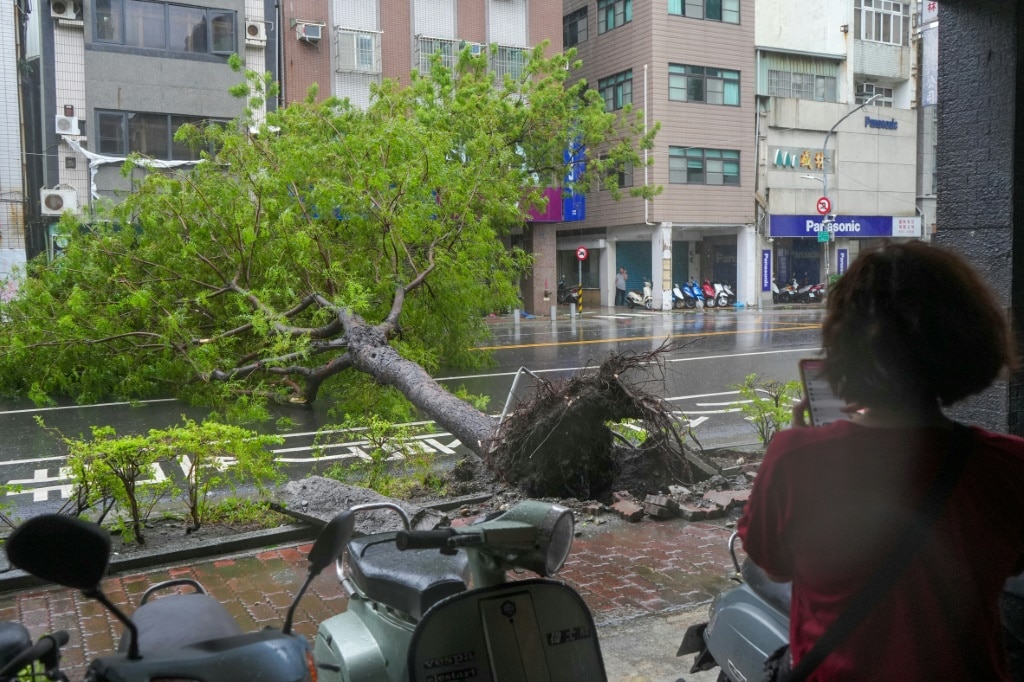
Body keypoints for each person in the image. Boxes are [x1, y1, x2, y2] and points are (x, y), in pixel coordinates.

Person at [738, 240, 1024, 681]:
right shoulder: (1009, 465)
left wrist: (806, 446)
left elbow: (768, 561)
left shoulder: (795, 460)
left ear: (846, 344)